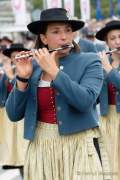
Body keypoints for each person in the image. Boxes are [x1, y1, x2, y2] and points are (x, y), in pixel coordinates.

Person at [6, 8, 111, 180]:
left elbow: (85, 102)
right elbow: (13, 114)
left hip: (79, 145)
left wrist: (54, 71)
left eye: (68, 30)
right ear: (43, 38)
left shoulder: (90, 60)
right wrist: (22, 78)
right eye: (56, 32)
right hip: (41, 146)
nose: (64, 37)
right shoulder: (33, 67)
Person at [96, 20, 120, 180]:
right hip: (107, 117)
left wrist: (108, 68)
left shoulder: (106, 65)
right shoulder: (105, 63)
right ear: (107, 42)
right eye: (113, 38)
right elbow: (95, 95)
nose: (118, 42)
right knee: (110, 161)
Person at [0, 43, 29, 176]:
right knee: (16, 153)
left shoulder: (30, 71)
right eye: (13, 56)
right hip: (10, 118)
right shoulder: (6, 74)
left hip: (25, 117)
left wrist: (12, 77)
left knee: (26, 151)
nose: (16, 58)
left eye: (20, 55)